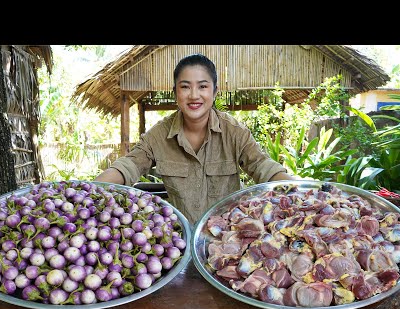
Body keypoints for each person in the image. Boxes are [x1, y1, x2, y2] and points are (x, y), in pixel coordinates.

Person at [95, 53, 296, 225]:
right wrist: (89, 192)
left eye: (202, 86)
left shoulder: (235, 132)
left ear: (214, 92)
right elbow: (128, 166)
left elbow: (264, 167)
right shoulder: (158, 135)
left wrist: (301, 194)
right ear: (175, 93)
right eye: (185, 87)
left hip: (227, 241)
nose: (194, 95)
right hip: (179, 243)